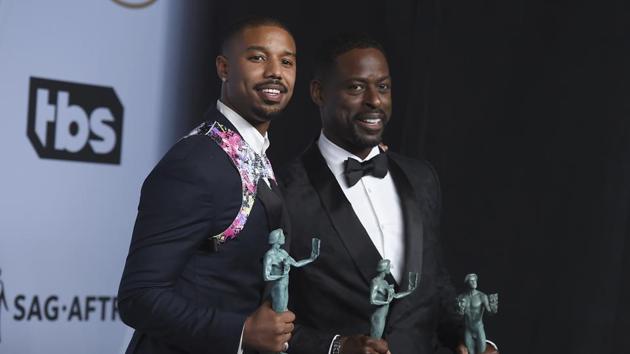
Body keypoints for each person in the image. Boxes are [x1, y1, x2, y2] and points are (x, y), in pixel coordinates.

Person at [118, 17, 297, 354]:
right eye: (258, 57)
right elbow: (138, 297)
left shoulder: (256, 154)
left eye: (286, 61)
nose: (275, 71)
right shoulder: (195, 162)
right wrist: (241, 332)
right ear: (224, 67)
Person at [278, 33, 464, 354]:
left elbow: (434, 285)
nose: (374, 101)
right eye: (356, 87)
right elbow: (263, 320)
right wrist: (336, 348)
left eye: (383, 87)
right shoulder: (284, 191)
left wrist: (470, 337)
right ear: (318, 92)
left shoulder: (422, 178)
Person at [263, 229, 320, 313]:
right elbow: (266, 276)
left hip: (286, 284)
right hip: (279, 286)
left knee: (284, 310)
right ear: (276, 238)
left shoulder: (283, 252)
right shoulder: (269, 255)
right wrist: (282, 275)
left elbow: (296, 264)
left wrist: (311, 259)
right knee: (279, 311)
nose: (284, 237)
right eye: (282, 235)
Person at [456, 274, 498, 354]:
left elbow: (489, 312)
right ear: (467, 283)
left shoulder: (482, 296)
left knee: (481, 351)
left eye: (475, 280)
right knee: (471, 352)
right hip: (468, 329)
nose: (474, 282)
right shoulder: (461, 297)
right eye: (471, 281)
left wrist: (493, 309)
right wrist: (460, 310)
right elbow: (459, 316)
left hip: (478, 328)